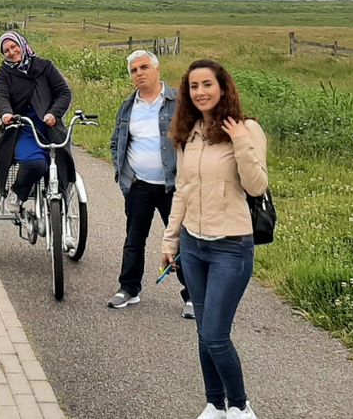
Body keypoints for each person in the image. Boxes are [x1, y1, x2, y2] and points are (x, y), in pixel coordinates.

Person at [161, 59, 269, 419]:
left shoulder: (247, 129)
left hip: (230, 247)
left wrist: (240, 141)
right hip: (193, 246)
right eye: (193, 86)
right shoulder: (187, 133)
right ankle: (215, 404)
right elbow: (182, 190)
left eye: (207, 84)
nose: (200, 92)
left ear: (222, 87)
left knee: (215, 335)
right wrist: (170, 241)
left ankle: (241, 406)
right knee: (204, 334)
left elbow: (257, 186)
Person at [106, 50, 191, 315]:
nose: (139, 73)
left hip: (173, 187)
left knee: (182, 241)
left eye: (144, 67)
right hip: (139, 185)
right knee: (134, 239)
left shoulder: (179, 102)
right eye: (133, 70)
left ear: (157, 69)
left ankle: (193, 296)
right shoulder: (129, 106)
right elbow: (116, 141)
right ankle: (129, 289)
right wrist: (125, 178)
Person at [0, 31, 74, 223]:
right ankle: (17, 194)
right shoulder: (3, 74)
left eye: (14, 46)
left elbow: (64, 92)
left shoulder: (45, 66)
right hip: (23, 127)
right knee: (35, 164)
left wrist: (54, 113)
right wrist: (6, 113)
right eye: (6, 50)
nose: (11, 52)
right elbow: (0, 96)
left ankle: (62, 213)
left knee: (60, 166)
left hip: (50, 127)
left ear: (22, 44)